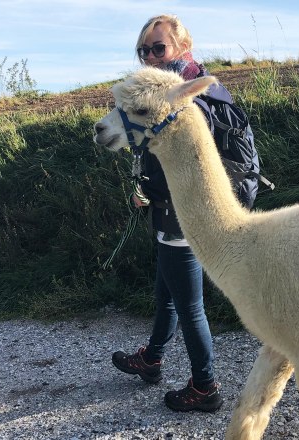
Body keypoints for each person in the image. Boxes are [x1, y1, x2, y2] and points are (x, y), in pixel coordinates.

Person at [111, 14, 230, 413]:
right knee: (167, 295)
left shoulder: (188, 94)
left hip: (187, 216)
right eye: (143, 50)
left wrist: (152, 188)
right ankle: (153, 358)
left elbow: (191, 162)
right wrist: (146, 188)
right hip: (169, 212)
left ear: (181, 48)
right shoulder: (165, 90)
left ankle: (204, 385)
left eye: (158, 48)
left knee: (190, 305)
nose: (149, 55)